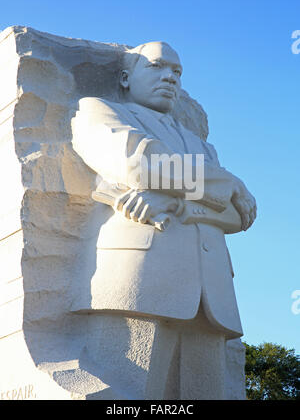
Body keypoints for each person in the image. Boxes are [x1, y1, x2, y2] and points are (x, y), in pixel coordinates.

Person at [71, 41, 256, 400]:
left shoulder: (200, 146)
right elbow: (138, 164)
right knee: (125, 394)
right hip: (142, 277)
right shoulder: (98, 111)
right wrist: (226, 182)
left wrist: (174, 202)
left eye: (177, 72)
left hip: (212, 293)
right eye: (156, 67)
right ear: (125, 77)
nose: (170, 77)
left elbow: (239, 213)